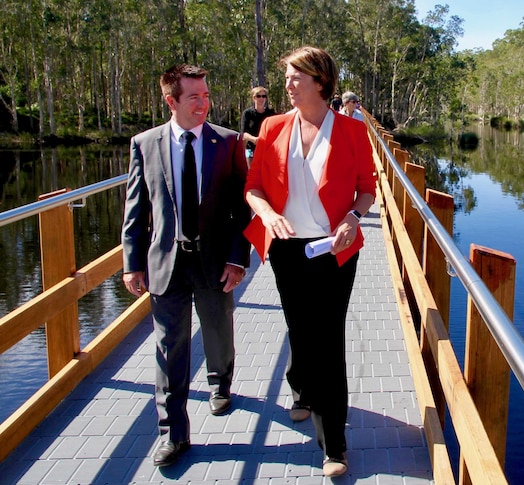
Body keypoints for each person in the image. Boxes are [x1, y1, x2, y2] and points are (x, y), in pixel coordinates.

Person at [243, 46, 376, 478]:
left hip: (335, 252)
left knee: (327, 339)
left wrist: (353, 219)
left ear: (320, 80)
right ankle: (299, 387)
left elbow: (367, 188)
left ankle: (333, 444)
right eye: (286, 77)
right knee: (300, 328)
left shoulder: (353, 132)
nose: (287, 85)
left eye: (295, 76)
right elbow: (254, 187)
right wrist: (267, 214)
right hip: (287, 250)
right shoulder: (272, 126)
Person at [121, 64, 251, 468]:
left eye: (206, 95)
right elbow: (135, 210)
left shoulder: (227, 142)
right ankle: (173, 434)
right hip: (166, 262)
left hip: (214, 260)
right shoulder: (144, 144)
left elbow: (241, 208)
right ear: (171, 100)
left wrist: (237, 259)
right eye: (194, 97)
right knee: (168, 348)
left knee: (218, 328)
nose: (204, 103)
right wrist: (132, 263)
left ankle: (220, 384)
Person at [240, 86, 277, 162]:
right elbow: (243, 134)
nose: (261, 99)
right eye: (258, 96)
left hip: (268, 149)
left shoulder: (271, 113)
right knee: (251, 172)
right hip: (250, 150)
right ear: (254, 98)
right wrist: (254, 140)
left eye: (264, 96)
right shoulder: (247, 113)